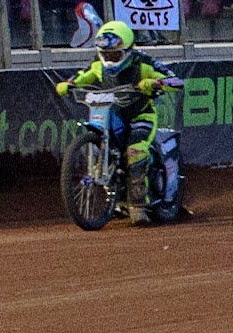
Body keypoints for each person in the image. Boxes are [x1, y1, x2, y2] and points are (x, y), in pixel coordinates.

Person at [54, 20, 176, 225]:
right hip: (113, 115)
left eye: (115, 55)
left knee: (136, 150)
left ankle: (138, 206)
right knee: (105, 146)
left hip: (140, 115)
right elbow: (82, 76)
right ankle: (115, 196)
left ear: (127, 50)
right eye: (106, 54)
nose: (109, 59)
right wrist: (68, 84)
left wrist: (155, 82)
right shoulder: (98, 65)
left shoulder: (143, 63)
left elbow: (175, 80)